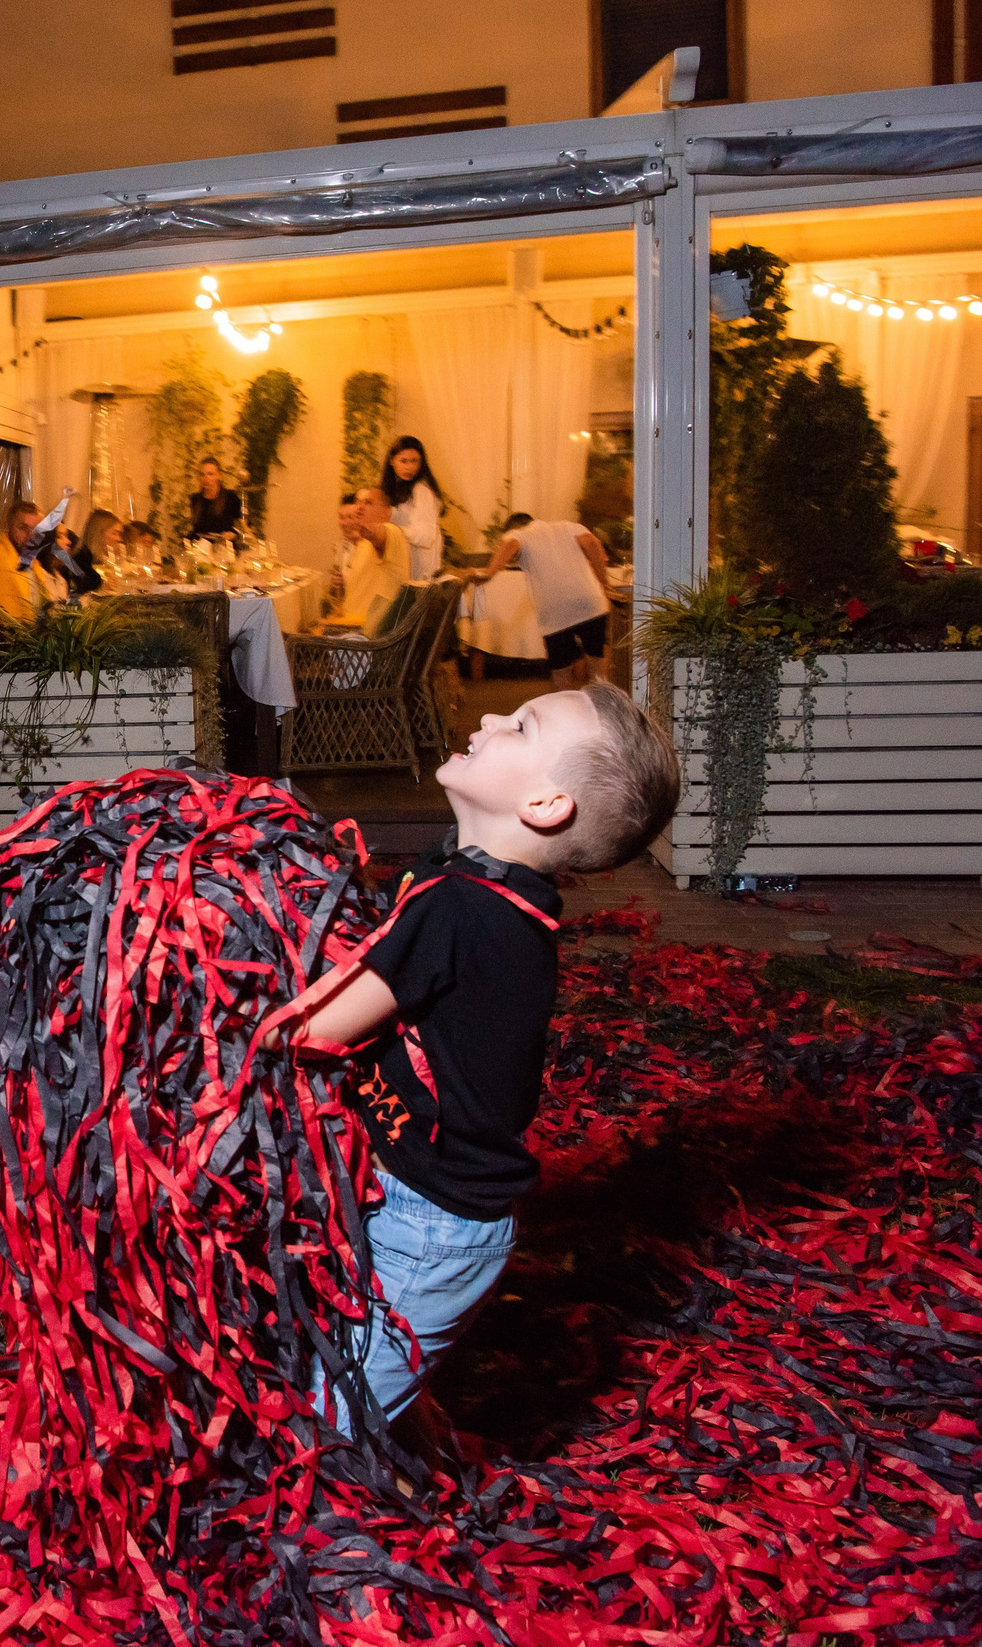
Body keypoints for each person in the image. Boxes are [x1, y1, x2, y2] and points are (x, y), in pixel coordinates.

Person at [263, 681, 680, 1433]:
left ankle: (375, 1514)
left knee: (327, 1424)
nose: (489, 716)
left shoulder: (460, 907)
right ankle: (417, 1448)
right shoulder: (485, 886)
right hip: (407, 1197)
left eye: (521, 726)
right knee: (342, 1364)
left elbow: (307, 1030)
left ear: (547, 806)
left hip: (427, 1226)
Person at [477, 513, 612, 691]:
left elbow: (510, 545)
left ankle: (563, 713)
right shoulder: (568, 525)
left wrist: (489, 573)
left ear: (513, 528)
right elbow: (592, 543)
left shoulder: (520, 533)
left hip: (556, 610)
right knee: (597, 662)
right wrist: (604, 582)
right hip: (590, 602)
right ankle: (603, 709)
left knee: (561, 671)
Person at [0, 499, 70, 623]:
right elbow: (13, 628)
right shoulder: (0, 564)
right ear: (8, 528)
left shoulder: (33, 564)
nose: (30, 535)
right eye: (23, 528)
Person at [325, 488, 411, 635]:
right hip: (350, 628)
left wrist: (367, 529)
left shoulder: (393, 532)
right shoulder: (361, 545)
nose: (360, 507)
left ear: (387, 512)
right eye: (358, 503)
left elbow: (379, 534)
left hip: (366, 636)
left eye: (368, 502)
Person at [379, 437, 446, 582]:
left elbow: (426, 535)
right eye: (403, 461)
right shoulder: (390, 490)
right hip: (398, 570)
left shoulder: (422, 490)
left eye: (414, 461)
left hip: (420, 574)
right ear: (392, 461)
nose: (409, 467)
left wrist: (392, 531)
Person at [187, 457, 245, 541]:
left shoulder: (231, 497)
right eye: (202, 474)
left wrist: (234, 533)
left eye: (210, 474)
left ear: (219, 476)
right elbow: (197, 530)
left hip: (224, 548)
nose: (206, 478)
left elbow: (244, 524)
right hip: (202, 548)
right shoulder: (195, 499)